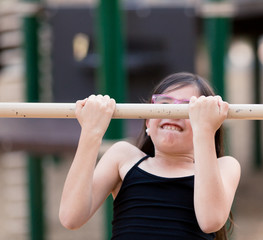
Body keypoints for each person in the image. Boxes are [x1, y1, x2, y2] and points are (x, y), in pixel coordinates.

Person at [59, 72, 241, 240]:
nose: (173, 114)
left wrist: (204, 131)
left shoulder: (225, 166)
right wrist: (91, 132)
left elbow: (210, 221)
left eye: (187, 109)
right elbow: (71, 218)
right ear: (148, 121)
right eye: (164, 105)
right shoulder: (123, 157)